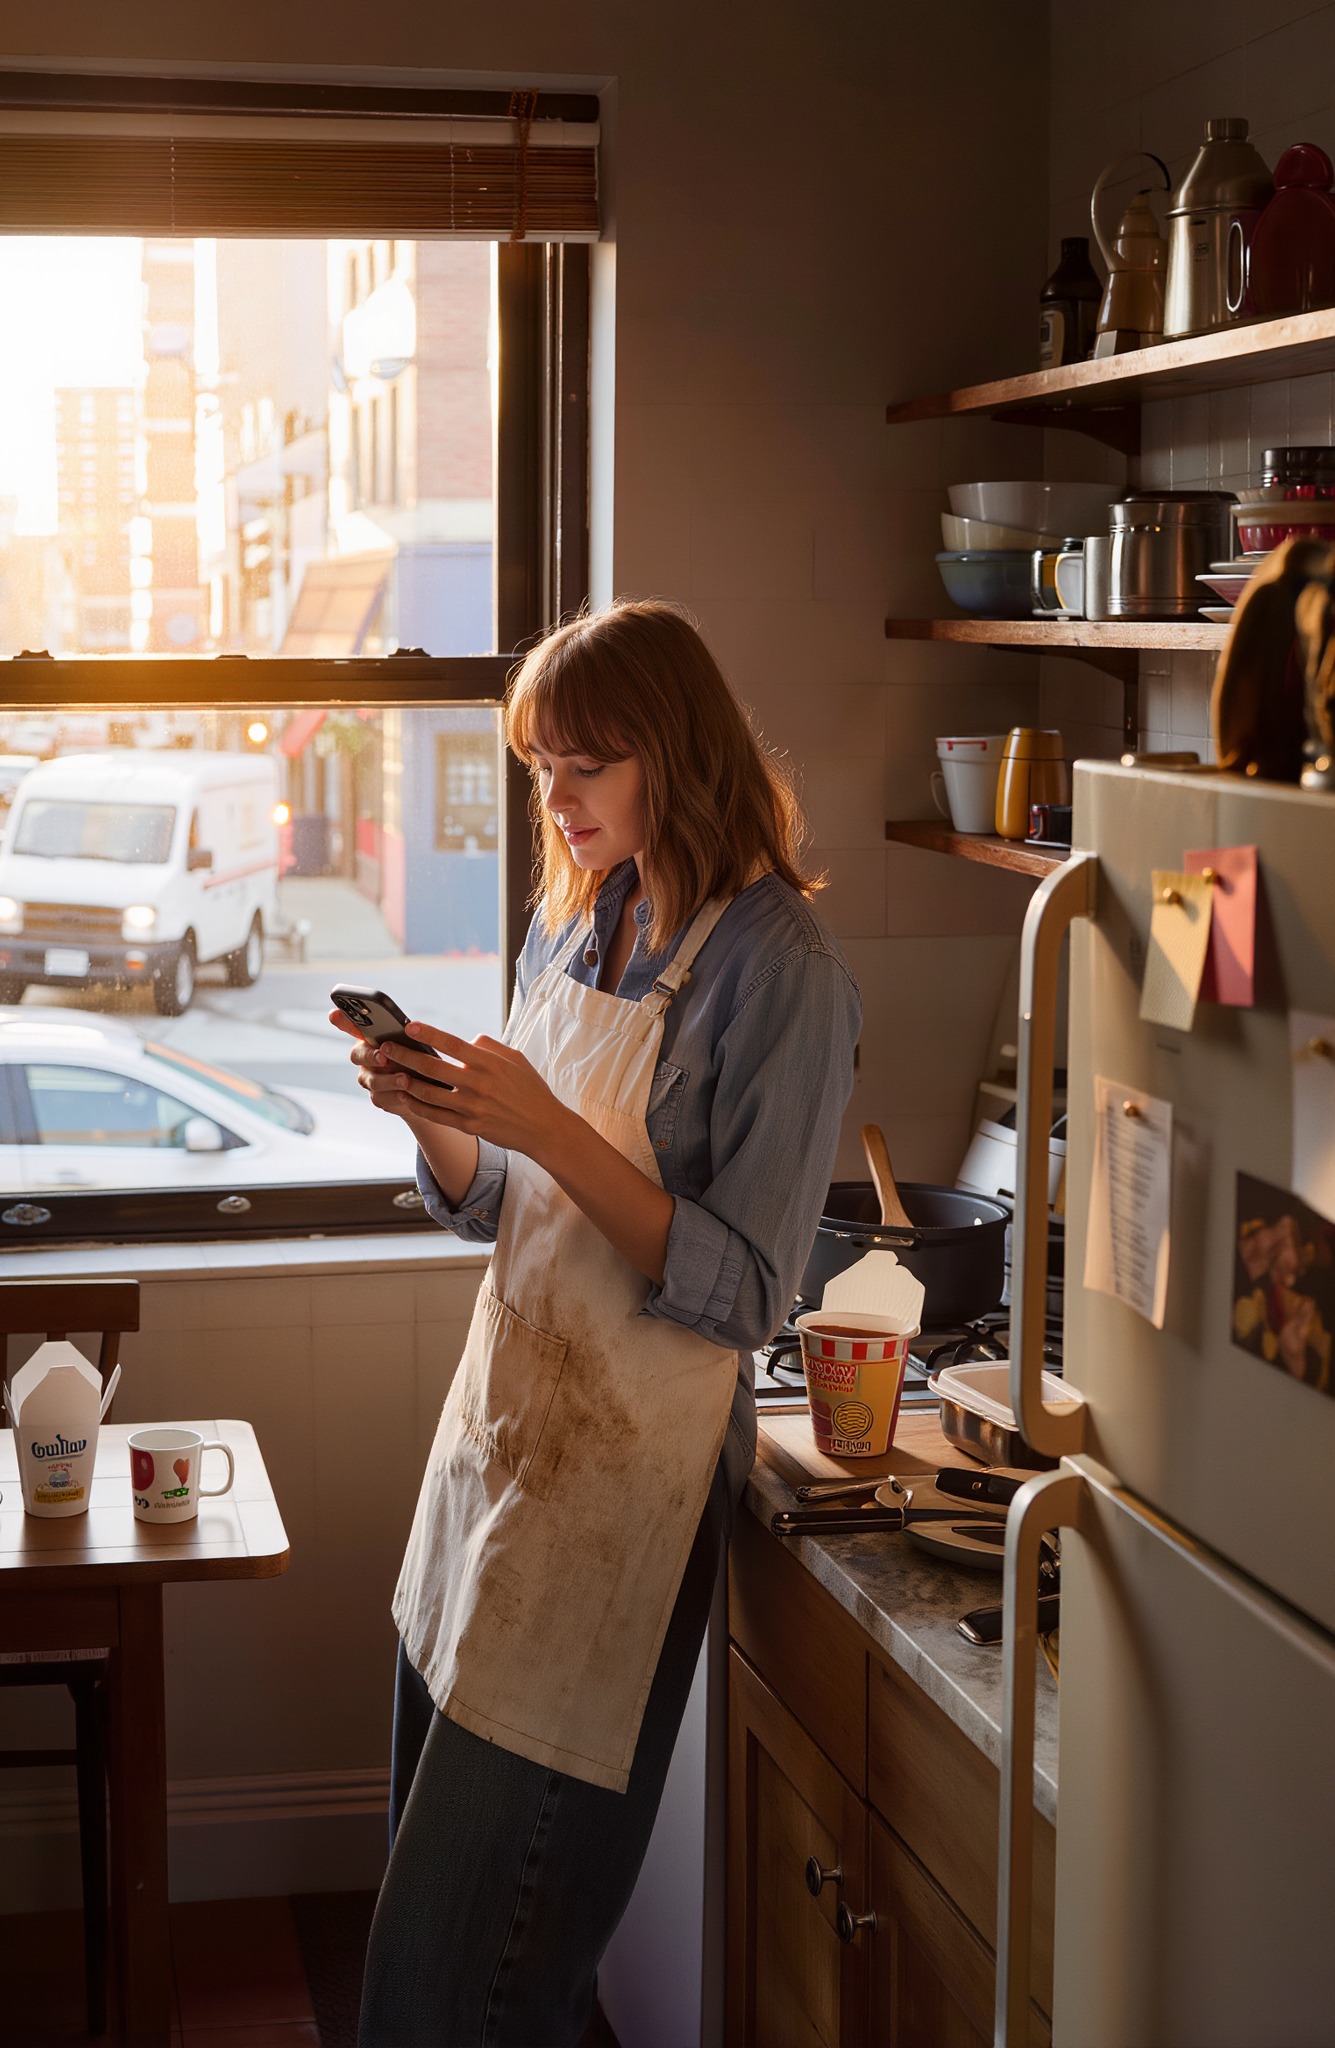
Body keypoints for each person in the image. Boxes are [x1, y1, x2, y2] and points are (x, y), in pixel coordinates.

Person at [335, 600, 861, 2047]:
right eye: (538, 768)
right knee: (435, 1953)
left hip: (616, 1506)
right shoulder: (583, 909)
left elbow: (749, 1289)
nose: (551, 801)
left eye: (583, 767)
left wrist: (551, 1131)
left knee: (463, 1988)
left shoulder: (784, 972)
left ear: (674, 756)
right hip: (492, 1456)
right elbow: (505, 1204)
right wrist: (444, 1125)